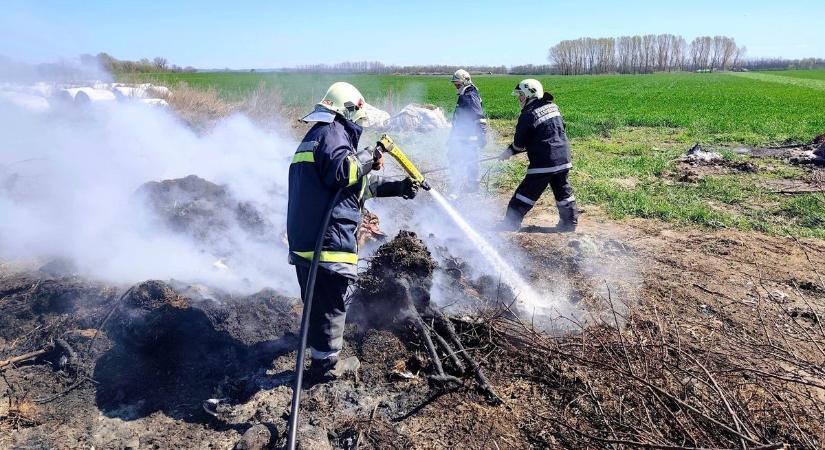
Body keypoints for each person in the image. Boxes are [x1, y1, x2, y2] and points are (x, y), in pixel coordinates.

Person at [287, 82, 419, 383]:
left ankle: (321, 358)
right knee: (334, 303)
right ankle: (328, 368)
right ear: (348, 112)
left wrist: (396, 188)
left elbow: (350, 190)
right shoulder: (333, 133)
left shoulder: (313, 139)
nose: (360, 126)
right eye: (358, 120)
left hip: (307, 241)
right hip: (329, 239)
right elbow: (343, 172)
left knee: (319, 303)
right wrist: (373, 154)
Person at [498, 79, 577, 232]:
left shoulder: (528, 114)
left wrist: (508, 152)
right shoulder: (552, 107)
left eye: (520, 95)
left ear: (529, 95)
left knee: (525, 194)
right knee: (563, 192)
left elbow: (519, 144)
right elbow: (556, 130)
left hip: (544, 162)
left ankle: (510, 223)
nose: (519, 98)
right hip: (563, 158)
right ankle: (569, 223)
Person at [447, 69, 487, 193]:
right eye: (455, 83)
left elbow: (479, 117)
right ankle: (465, 186)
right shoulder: (466, 94)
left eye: (457, 83)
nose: (456, 86)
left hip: (469, 137)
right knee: (462, 159)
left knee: (467, 160)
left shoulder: (469, 95)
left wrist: (482, 135)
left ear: (465, 81)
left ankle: (466, 187)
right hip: (463, 137)